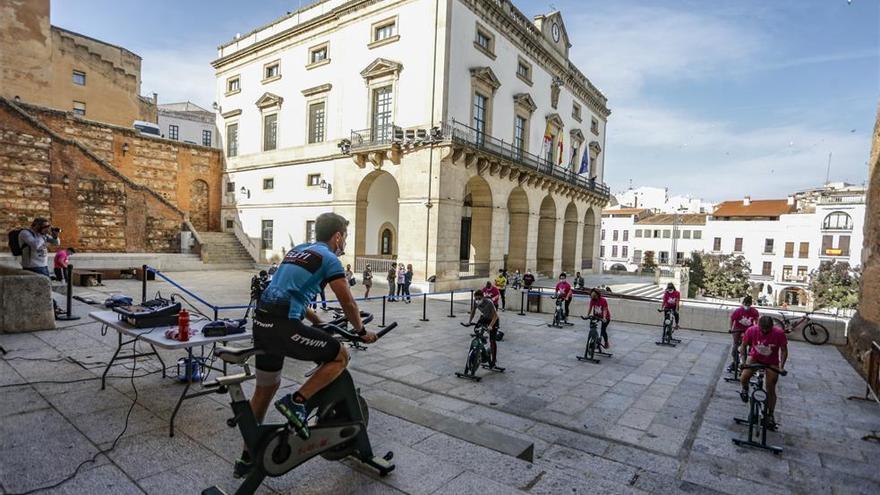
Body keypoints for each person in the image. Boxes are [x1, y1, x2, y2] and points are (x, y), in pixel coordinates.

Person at [240, 212, 378, 477]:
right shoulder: (329, 258)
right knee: (341, 355)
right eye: (345, 237)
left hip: (262, 324)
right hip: (284, 327)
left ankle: (247, 456)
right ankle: (297, 401)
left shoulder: (298, 250)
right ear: (337, 237)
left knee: (264, 390)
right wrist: (361, 331)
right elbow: (347, 301)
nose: (344, 242)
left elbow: (289, 290)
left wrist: (316, 320)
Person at [739, 315, 788, 428]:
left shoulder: (779, 333)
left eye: (768, 329)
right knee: (744, 377)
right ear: (758, 326)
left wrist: (781, 366)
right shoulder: (751, 330)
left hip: (771, 361)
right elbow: (743, 346)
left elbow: (784, 350)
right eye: (763, 329)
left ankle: (770, 415)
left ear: (772, 326)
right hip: (755, 357)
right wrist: (743, 361)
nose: (765, 331)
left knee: (771, 387)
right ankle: (745, 389)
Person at [467, 289, 500, 368]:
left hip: (493, 320)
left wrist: (490, 326)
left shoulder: (489, 302)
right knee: (477, 330)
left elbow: (495, 316)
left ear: (483, 297)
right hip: (485, 318)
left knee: (492, 340)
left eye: (479, 298)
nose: (477, 300)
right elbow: (473, 311)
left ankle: (493, 360)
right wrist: (469, 321)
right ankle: (482, 346)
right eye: (476, 299)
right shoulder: (475, 302)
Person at [729, 295, 760, 372]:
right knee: (735, 348)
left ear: (751, 304)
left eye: (748, 305)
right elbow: (732, 319)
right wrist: (731, 328)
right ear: (743, 303)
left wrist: (757, 328)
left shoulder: (754, 311)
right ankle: (735, 362)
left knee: (751, 348)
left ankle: (749, 363)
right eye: (745, 304)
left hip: (749, 331)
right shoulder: (738, 311)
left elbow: (757, 321)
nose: (747, 306)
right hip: (737, 330)